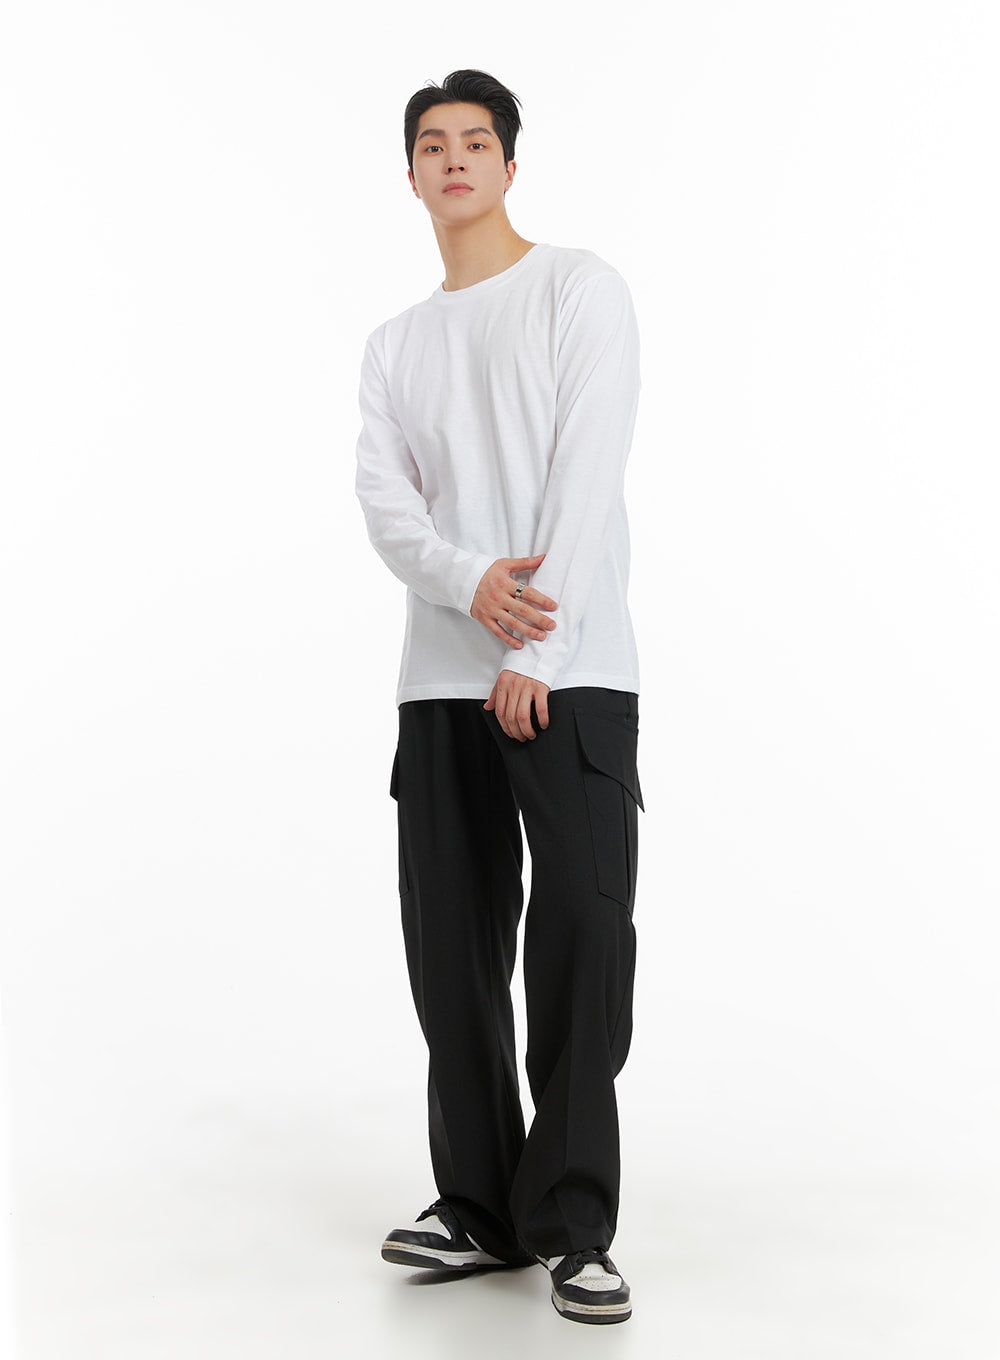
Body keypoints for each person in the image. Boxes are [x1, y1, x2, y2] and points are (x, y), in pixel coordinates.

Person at [354, 68, 643, 1327]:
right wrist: (470, 586)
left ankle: (572, 1224)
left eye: (477, 140)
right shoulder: (394, 345)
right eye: (434, 144)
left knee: (582, 933)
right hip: (439, 680)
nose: (456, 158)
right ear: (412, 176)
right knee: (452, 950)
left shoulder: (579, 288)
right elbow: (387, 507)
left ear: (510, 166)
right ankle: (478, 1207)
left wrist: (536, 647)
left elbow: (588, 466)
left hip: (571, 673)